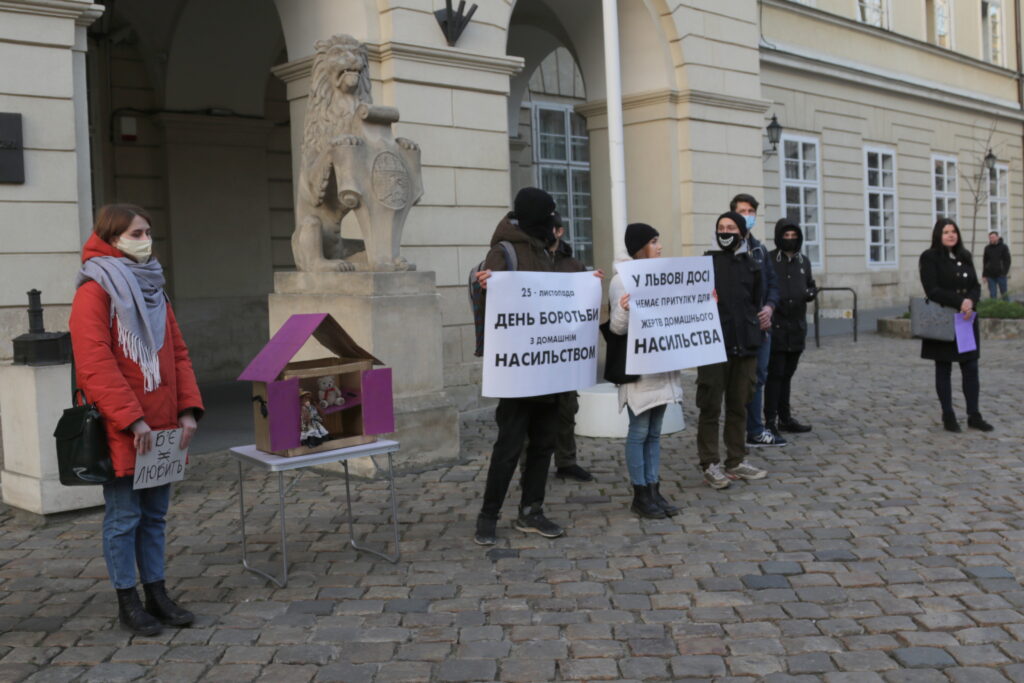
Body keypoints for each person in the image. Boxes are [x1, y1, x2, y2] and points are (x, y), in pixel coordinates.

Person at [69, 204, 204, 635]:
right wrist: (132, 420)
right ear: (112, 239)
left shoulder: (154, 287)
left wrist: (187, 410)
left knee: (155, 516)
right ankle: (127, 601)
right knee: (124, 517)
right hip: (123, 428)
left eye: (147, 232)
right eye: (136, 234)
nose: (146, 241)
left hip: (164, 425)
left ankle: (157, 594)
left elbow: (177, 354)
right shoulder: (95, 290)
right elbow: (95, 364)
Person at [472, 188, 569, 545]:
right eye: (549, 214)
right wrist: (486, 285)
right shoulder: (504, 251)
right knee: (509, 445)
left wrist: (586, 283)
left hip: (547, 366)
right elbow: (494, 303)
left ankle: (532, 510)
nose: (553, 220)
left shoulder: (545, 249)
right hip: (516, 370)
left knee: (544, 442)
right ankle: (488, 515)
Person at [608, 223, 684, 518]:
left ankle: (653, 489)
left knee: (654, 433)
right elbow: (617, 328)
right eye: (653, 241)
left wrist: (702, 302)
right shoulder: (621, 281)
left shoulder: (662, 277)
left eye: (658, 240)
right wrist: (624, 309)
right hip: (638, 370)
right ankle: (640, 494)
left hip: (661, 366)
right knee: (639, 431)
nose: (659, 246)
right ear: (640, 248)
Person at [696, 212, 768, 489]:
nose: (725, 232)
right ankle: (710, 463)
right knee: (710, 406)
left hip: (745, 345)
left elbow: (755, 301)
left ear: (741, 232)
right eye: (721, 228)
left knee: (739, 405)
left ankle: (736, 459)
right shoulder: (705, 264)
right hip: (713, 346)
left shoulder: (752, 264)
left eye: (731, 227)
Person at [919, 218, 994, 433]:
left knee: (970, 367)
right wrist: (959, 302)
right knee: (944, 368)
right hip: (943, 319)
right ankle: (948, 415)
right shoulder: (930, 257)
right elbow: (932, 289)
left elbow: (975, 286)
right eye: (946, 232)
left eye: (953, 231)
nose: (951, 235)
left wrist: (970, 300)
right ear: (938, 235)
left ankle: (974, 415)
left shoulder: (964, 256)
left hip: (965, 319)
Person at [730, 194, 784, 448]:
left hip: (761, 328)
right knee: (738, 381)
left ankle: (755, 429)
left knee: (758, 377)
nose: (747, 215)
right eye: (742, 211)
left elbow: (773, 284)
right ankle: (736, 431)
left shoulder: (759, 249)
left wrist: (769, 308)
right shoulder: (724, 249)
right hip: (737, 329)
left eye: (751, 211)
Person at [547, 214, 594, 483]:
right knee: (536, 414)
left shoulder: (573, 265)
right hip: (540, 351)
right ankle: (531, 466)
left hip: (566, 351)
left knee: (567, 409)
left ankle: (566, 460)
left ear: (559, 232)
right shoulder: (532, 261)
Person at [763, 218, 817, 437]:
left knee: (787, 375)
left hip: (796, 327)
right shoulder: (769, 259)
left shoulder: (804, 261)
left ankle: (785, 417)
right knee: (775, 375)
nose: (790, 239)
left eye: (794, 236)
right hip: (776, 327)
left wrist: (810, 293)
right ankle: (770, 420)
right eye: (786, 236)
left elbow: (810, 285)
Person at [982, 230, 1011, 300]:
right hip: (990, 275)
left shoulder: (1004, 247)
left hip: (1001, 275)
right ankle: (994, 307)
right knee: (992, 294)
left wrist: (1004, 272)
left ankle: (1006, 306)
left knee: (1004, 294)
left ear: (997, 237)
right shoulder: (987, 248)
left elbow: (1008, 260)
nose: (991, 239)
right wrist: (984, 275)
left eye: (993, 237)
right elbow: (985, 262)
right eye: (990, 238)